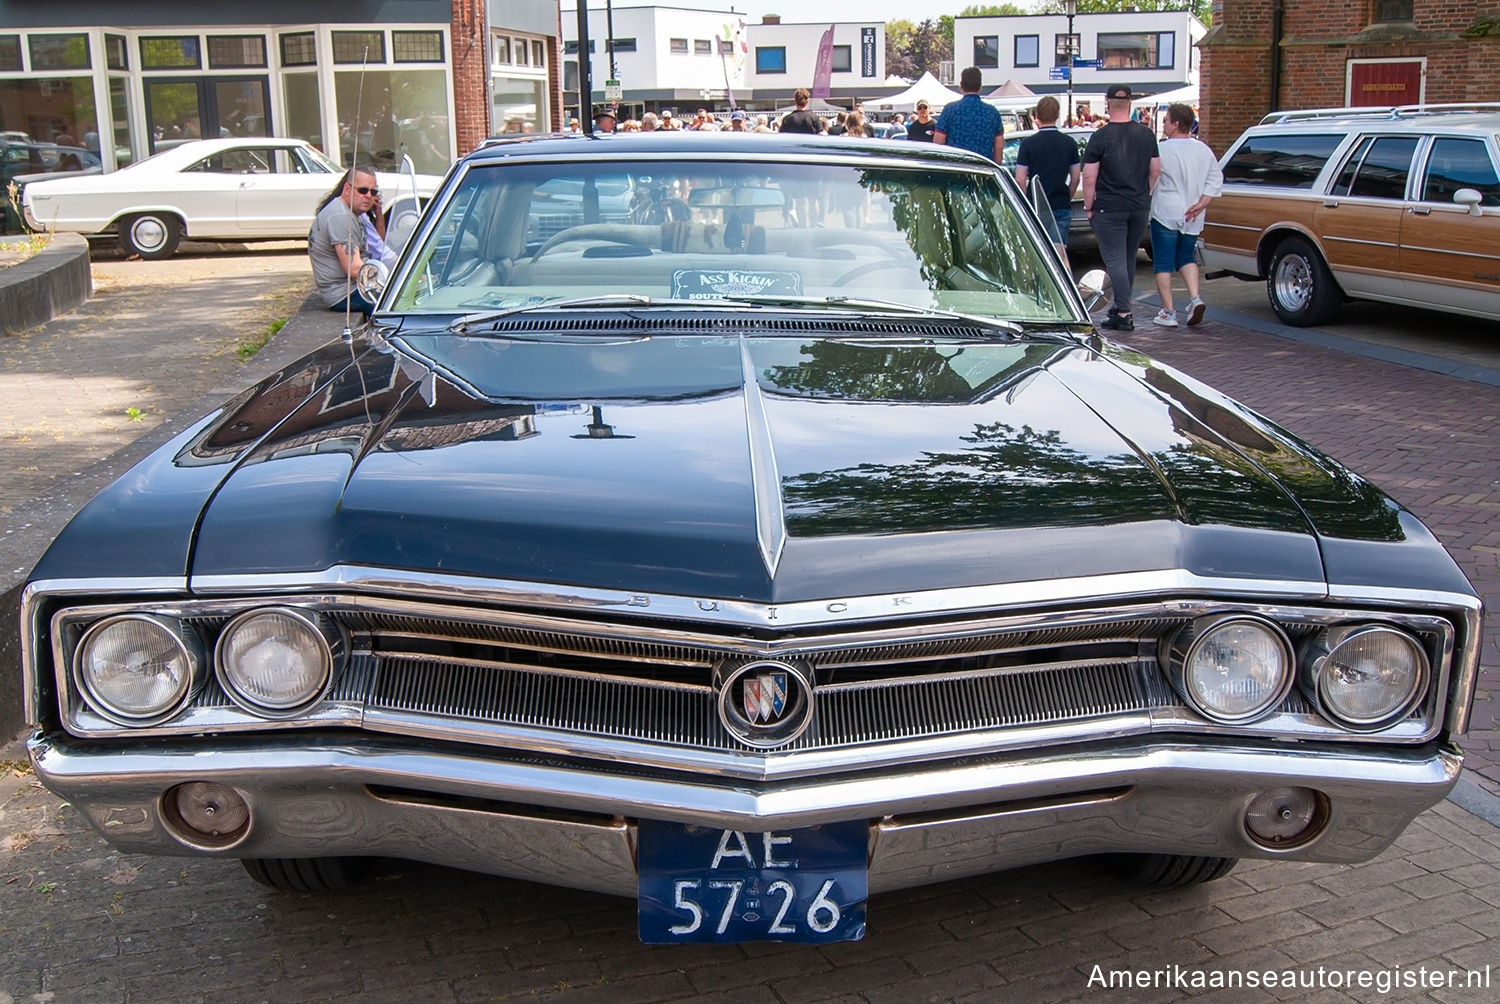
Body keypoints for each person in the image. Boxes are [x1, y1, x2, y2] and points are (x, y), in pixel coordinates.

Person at [1081, 83, 1161, 331]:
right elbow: (1155, 170)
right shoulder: (1147, 135)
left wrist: (1089, 206)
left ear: (1107, 103)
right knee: (1128, 257)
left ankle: (1124, 312)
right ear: (1130, 103)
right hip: (1137, 205)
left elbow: (1089, 178)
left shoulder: (1100, 137)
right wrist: (1143, 193)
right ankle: (1120, 307)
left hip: (1109, 206)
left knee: (1114, 258)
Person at [1148, 102, 1222, 328]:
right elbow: (1215, 178)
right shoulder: (1203, 149)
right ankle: (1194, 298)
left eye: (1166, 120)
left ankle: (1169, 312)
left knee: (1163, 263)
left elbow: (1153, 174)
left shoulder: (1161, 149)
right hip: (1193, 212)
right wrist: (1202, 202)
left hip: (1166, 211)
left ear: (1175, 124)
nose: (1163, 124)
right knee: (1187, 257)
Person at [1014, 95, 1081, 268]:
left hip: (1036, 204)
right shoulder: (1069, 143)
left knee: (1036, 254)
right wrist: (1068, 196)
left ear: (1037, 115)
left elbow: (1020, 178)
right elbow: (1075, 177)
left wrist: (1026, 200)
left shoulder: (1028, 144)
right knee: (1060, 254)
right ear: (1057, 115)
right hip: (1060, 203)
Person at [308, 165, 380, 315]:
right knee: (398, 307)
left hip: (352, 288)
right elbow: (354, 270)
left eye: (373, 192)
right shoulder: (340, 217)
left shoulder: (352, 213)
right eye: (362, 190)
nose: (368, 196)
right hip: (344, 294)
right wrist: (392, 278)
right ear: (347, 189)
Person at [933, 67, 1003, 162]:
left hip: (956, 168)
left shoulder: (949, 110)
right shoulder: (993, 112)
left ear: (961, 85)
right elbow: (999, 146)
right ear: (980, 86)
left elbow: (938, 143)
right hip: (983, 170)